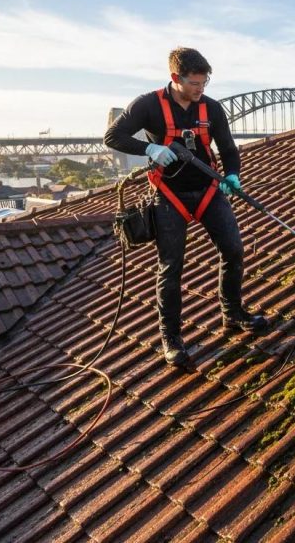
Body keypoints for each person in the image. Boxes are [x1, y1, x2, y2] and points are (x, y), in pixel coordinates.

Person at [105, 47, 267, 366]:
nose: (199, 89)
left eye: (204, 83)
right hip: (170, 195)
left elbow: (229, 149)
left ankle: (232, 313)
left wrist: (232, 175)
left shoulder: (211, 109)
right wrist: (150, 148)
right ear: (175, 78)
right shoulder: (147, 105)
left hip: (208, 190)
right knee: (171, 265)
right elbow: (113, 136)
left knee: (233, 250)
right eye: (194, 83)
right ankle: (171, 337)